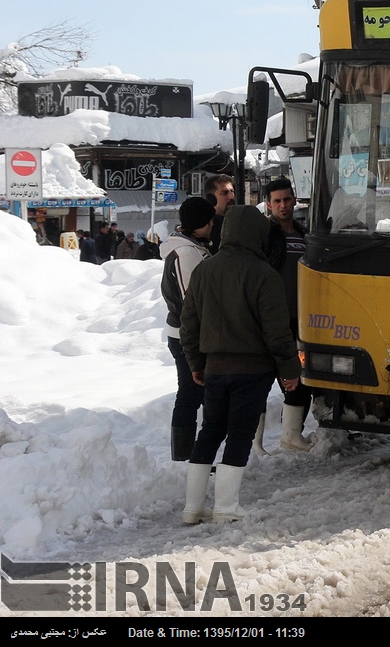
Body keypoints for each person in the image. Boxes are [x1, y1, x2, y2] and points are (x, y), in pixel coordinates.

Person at [180, 205, 301, 524]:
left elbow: (188, 322)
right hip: (252, 369)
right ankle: (226, 507)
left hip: (215, 367)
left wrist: (195, 361)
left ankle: (193, 508)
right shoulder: (264, 274)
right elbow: (277, 332)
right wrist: (289, 371)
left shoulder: (205, 270)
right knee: (239, 432)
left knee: (210, 431)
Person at [160, 197, 215, 463]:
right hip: (186, 335)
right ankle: (183, 456)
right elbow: (192, 300)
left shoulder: (193, 247)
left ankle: (189, 454)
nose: (213, 224)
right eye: (209, 220)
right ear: (201, 224)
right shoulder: (187, 253)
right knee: (190, 394)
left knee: (194, 393)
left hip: (185, 332)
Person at [264, 178, 314, 452]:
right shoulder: (266, 236)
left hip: (301, 320)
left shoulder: (304, 234)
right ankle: (258, 444)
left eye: (286, 199)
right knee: (264, 380)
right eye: (277, 201)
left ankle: (291, 435)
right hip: (273, 320)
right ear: (269, 204)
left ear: (295, 200)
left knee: (299, 378)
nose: (283, 205)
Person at [204, 174, 237, 253]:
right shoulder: (206, 226)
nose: (231, 197)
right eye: (225, 193)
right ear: (211, 198)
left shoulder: (238, 221)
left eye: (232, 192)